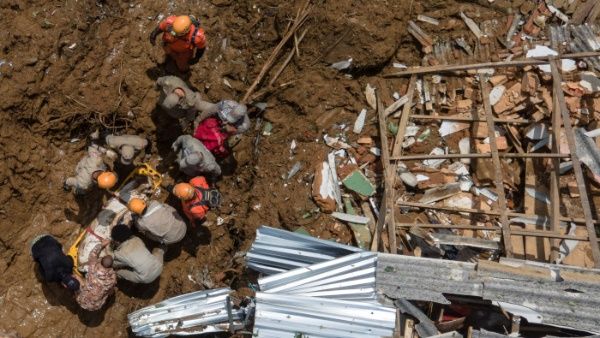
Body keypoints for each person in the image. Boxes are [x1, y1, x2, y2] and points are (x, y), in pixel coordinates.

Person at [77, 199, 128, 273]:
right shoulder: (83, 264)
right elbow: (82, 246)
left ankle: (120, 208)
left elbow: (83, 246)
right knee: (113, 221)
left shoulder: (83, 264)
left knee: (110, 219)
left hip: (97, 236)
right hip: (98, 236)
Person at [75, 241, 117, 311]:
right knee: (110, 291)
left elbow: (93, 253)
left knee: (76, 276)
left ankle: (76, 295)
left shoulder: (93, 265)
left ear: (101, 261)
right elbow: (111, 289)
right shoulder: (112, 278)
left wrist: (102, 244)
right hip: (96, 306)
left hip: (81, 300)